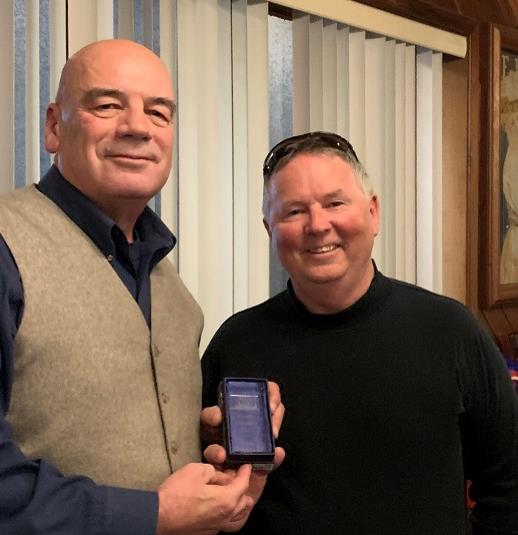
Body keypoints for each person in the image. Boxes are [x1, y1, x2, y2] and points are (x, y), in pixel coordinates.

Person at [0, 39, 284, 534]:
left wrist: (216, 472)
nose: (137, 127)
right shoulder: (7, 245)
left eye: (158, 112)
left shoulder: (176, 296)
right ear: (53, 126)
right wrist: (155, 514)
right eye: (107, 105)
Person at [202, 131, 518, 534]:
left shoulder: (450, 331)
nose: (318, 225)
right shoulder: (237, 344)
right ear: (270, 230)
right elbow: (212, 495)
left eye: (334, 203)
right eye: (294, 211)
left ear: (373, 213)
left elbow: (509, 485)